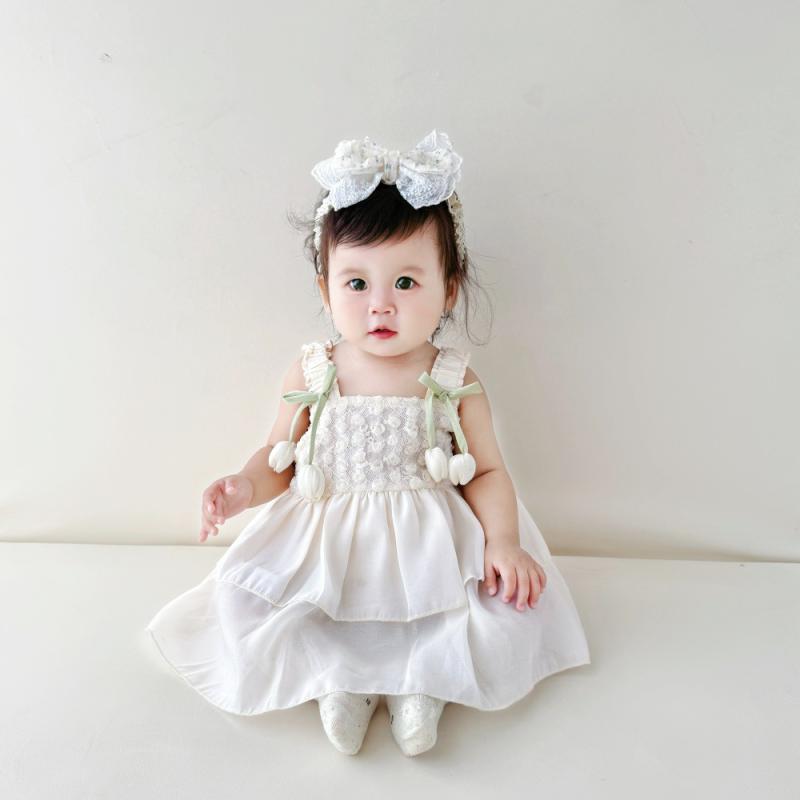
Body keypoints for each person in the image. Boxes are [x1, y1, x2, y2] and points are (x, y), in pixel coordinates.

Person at [146, 129, 591, 757]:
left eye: (405, 283)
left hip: (426, 535)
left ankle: (423, 686)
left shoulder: (451, 378)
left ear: (449, 289)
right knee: (309, 609)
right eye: (357, 284)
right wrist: (243, 486)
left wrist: (503, 541)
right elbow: (279, 456)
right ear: (325, 290)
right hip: (328, 529)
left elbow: (487, 472)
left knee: (442, 612)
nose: (380, 305)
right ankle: (340, 683)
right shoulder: (314, 370)